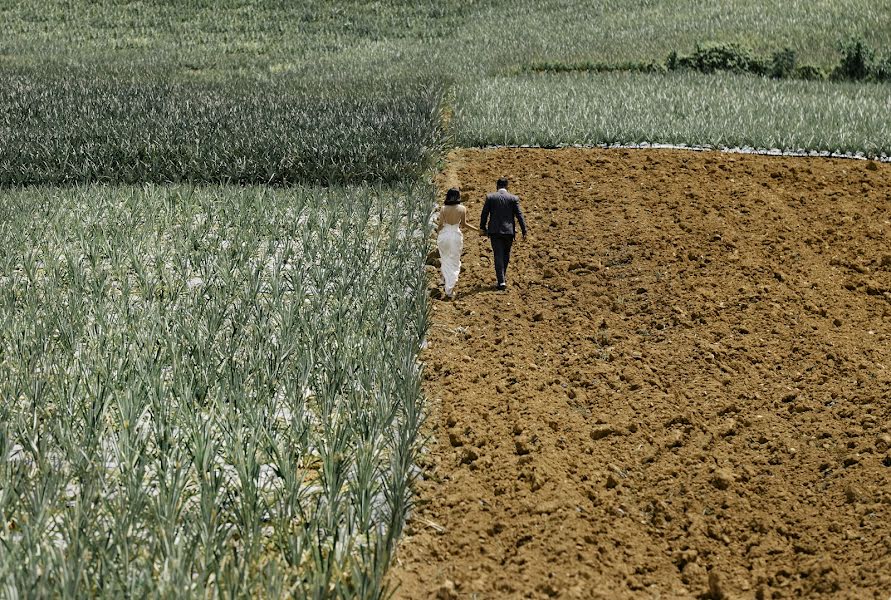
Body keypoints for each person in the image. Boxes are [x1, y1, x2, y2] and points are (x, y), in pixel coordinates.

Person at [479, 177, 527, 290]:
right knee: (506, 255)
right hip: (508, 232)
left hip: (495, 231)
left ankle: (501, 281)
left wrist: (483, 227)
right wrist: (524, 230)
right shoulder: (513, 198)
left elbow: (484, 214)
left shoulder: (490, 197)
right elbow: (519, 215)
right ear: (507, 186)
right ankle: (502, 278)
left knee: (498, 255)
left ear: (497, 186)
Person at [437, 187, 471, 298]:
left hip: (444, 236)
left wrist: (438, 232)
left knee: (445, 259)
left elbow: (441, 225)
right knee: (454, 261)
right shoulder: (462, 208)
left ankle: (444, 280)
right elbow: (464, 225)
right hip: (455, 236)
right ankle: (449, 290)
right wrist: (477, 230)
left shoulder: (443, 209)